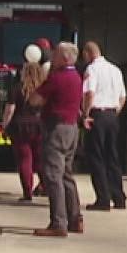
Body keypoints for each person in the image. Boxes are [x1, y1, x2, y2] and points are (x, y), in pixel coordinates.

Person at [33, 41, 86, 237]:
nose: (52, 57)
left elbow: (35, 99)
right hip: (72, 127)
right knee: (67, 174)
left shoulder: (57, 78)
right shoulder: (77, 77)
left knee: (53, 175)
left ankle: (58, 222)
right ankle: (75, 217)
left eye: (55, 54)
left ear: (64, 58)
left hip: (56, 127)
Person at [80, 40, 127, 211]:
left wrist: (85, 114)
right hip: (113, 115)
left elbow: (89, 93)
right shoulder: (115, 70)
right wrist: (115, 112)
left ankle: (103, 198)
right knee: (113, 156)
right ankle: (119, 197)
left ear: (88, 53)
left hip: (97, 115)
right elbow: (123, 96)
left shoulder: (91, 69)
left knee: (96, 157)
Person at [0, 45, 48, 203]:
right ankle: (46, 186)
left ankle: (27, 191)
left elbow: (10, 110)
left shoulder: (17, 88)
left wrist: (5, 126)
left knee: (24, 159)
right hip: (39, 125)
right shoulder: (44, 89)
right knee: (40, 159)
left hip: (20, 127)